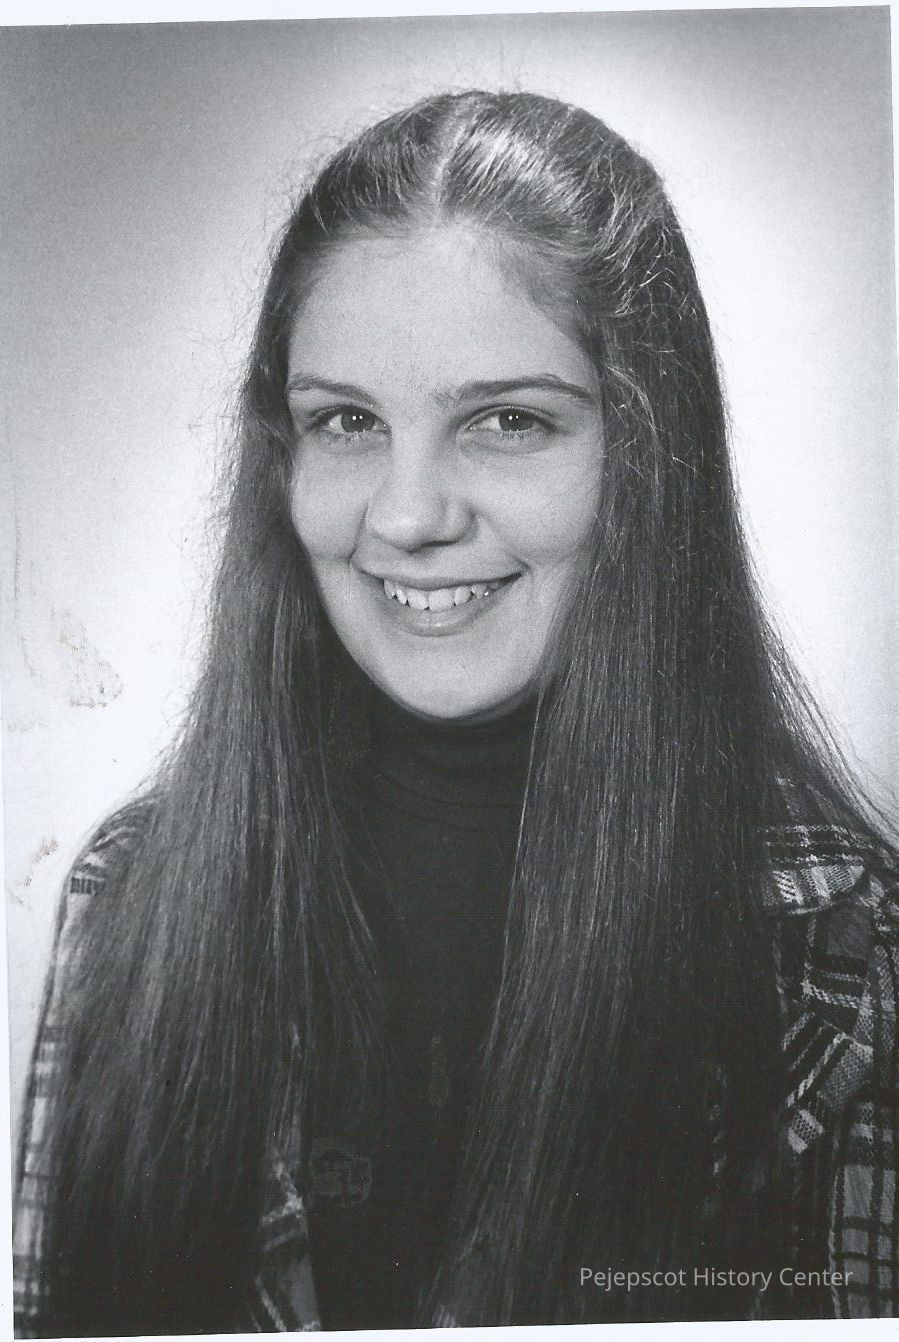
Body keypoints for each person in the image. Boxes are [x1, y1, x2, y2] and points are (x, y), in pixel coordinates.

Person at [12, 89, 899, 1334]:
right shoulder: (130, 895)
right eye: (346, 421)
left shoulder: (841, 945)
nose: (407, 514)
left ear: (649, 455)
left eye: (506, 421)